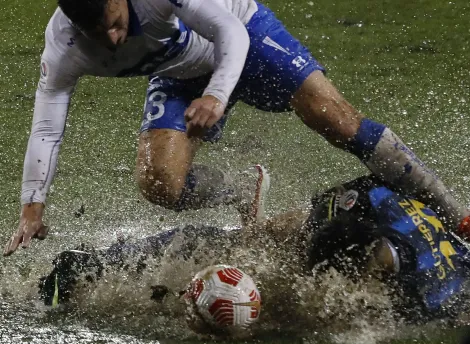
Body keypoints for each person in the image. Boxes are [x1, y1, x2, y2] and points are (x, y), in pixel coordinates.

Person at [4, 0, 470, 256]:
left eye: (114, 23)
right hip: (183, 73)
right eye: (95, 34)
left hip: (245, 34)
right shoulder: (64, 47)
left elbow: (230, 32)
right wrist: (31, 208)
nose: (111, 40)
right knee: (160, 184)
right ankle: (242, 191)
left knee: (338, 120)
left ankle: (455, 211)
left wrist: (218, 96)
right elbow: (47, 125)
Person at [39, 174, 470, 322]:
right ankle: (94, 263)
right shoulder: (370, 201)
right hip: (374, 212)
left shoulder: (426, 296)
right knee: (254, 242)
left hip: (388, 234)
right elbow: (344, 199)